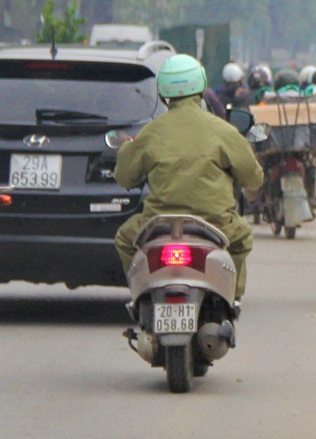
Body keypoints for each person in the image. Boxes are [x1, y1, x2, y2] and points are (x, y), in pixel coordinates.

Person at [113, 55, 264, 298]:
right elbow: (253, 178)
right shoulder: (223, 130)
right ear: (202, 88)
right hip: (216, 224)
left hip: (158, 223)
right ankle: (230, 298)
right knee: (242, 238)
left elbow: (124, 178)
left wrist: (126, 149)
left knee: (124, 238)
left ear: (163, 93)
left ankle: (141, 295)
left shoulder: (150, 133)